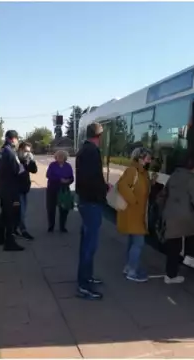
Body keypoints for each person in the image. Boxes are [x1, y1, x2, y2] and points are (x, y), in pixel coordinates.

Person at [159, 153, 194, 284]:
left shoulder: (174, 175)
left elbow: (165, 193)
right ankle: (190, 256)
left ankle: (170, 274)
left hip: (169, 214)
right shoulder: (191, 179)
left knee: (173, 244)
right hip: (183, 217)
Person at [75, 123, 109, 300]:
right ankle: (84, 286)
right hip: (91, 203)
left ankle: (86, 277)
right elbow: (91, 179)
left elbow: (87, 178)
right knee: (89, 246)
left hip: (85, 201)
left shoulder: (83, 150)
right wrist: (104, 189)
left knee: (87, 244)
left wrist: (102, 186)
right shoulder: (92, 152)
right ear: (99, 136)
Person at [117, 147, 154, 283]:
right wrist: (135, 201)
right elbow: (122, 186)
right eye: (148, 157)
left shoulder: (142, 172)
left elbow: (140, 187)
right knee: (138, 243)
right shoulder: (133, 171)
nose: (150, 159)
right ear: (140, 158)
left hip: (137, 214)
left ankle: (129, 267)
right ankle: (132, 271)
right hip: (133, 213)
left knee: (133, 241)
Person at [0, 130, 25, 251]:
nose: (17, 142)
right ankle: (9, 242)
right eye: (16, 139)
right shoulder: (10, 152)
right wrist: (24, 166)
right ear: (13, 139)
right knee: (12, 214)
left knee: (5, 213)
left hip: (2, 185)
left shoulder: (0, 150)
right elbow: (17, 170)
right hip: (11, 187)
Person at [46, 150, 74, 233]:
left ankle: (62, 226)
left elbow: (72, 177)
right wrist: (59, 180)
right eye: (59, 156)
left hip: (64, 190)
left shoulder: (68, 166)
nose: (60, 158)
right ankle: (51, 226)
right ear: (56, 157)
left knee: (64, 209)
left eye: (62, 156)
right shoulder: (52, 165)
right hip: (52, 189)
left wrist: (68, 181)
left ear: (65, 157)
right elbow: (48, 175)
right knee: (51, 208)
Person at [14, 141, 37, 240]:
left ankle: (14, 229)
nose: (27, 153)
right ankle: (23, 230)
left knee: (20, 212)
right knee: (21, 212)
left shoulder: (26, 159)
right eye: (25, 151)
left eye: (29, 151)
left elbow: (34, 170)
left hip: (24, 189)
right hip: (16, 189)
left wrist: (31, 160)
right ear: (20, 150)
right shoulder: (15, 159)